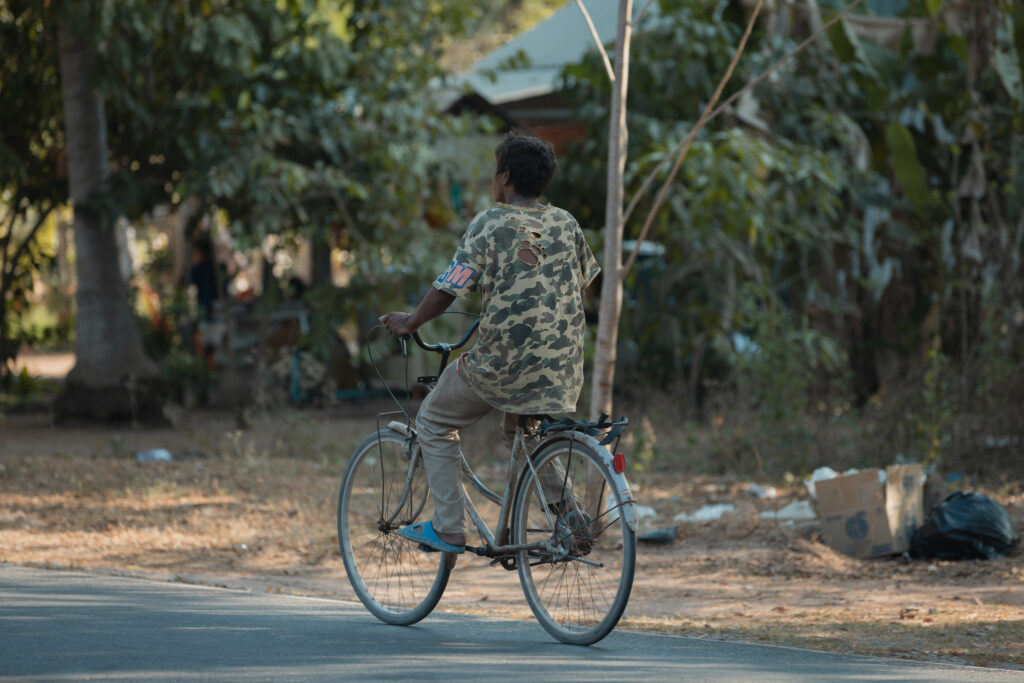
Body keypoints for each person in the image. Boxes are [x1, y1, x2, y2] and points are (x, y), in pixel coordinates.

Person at [380, 132, 599, 553]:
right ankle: (569, 514)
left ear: (505, 177)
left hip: (503, 363)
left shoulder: (490, 222)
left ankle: (447, 526)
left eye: (494, 171)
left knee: (434, 422)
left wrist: (410, 322)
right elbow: (580, 281)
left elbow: (449, 288)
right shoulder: (567, 223)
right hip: (564, 366)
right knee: (526, 434)